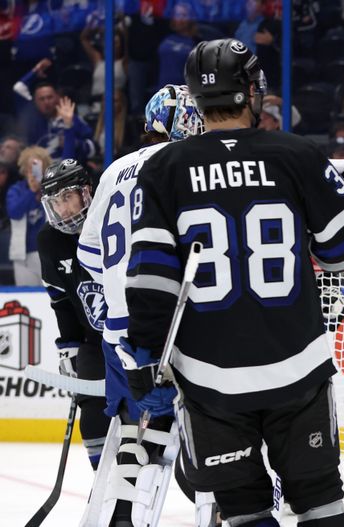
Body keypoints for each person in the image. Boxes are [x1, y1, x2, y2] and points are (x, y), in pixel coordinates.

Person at [121, 38, 344, 527]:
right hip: (297, 368)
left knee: (242, 511)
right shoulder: (296, 153)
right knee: (321, 502)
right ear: (250, 90)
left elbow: (150, 280)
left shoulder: (163, 168)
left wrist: (145, 357)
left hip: (209, 378)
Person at [77, 84, 206, 526]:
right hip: (172, 322)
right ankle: (221, 503)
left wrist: (116, 286)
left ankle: (123, 511)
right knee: (210, 419)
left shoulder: (114, 169)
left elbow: (89, 251)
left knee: (134, 422)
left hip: (118, 331)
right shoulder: (184, 163)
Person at [37, 158, 110, 472]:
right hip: (95, 340)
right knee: (91, 408)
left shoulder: (113, 222)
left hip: (137, 336)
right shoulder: (50, 241)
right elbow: (61, 301)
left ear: (87, 192)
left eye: (67, 197)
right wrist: (68, 346)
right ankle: (104, 482)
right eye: (56, 201)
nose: (63, 209)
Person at [7, 146, 51, 285]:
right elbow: (14, 213)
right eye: (30, 167)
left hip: (49, 254)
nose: (33, 172)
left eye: (38, 167)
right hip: (23, 255)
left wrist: (42, 190)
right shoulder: (16, 190)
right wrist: (31, 192)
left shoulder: (52, 189)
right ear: (25, 169)